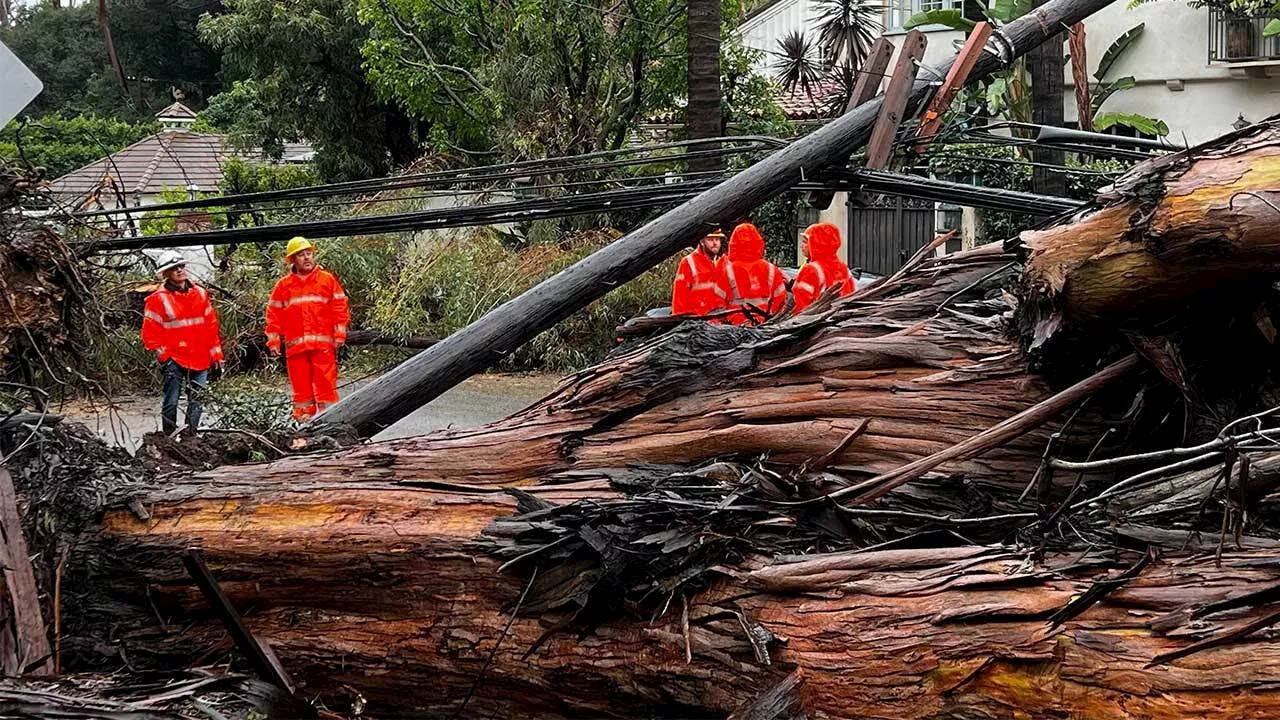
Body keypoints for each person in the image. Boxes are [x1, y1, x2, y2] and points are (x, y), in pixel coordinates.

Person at [265, 237, 350, 422]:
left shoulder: (327, 280)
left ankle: (331, 422)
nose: (306, 258)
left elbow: (340, 308)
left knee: (325, 387)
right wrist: (273, 341)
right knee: (302, 392)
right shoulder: (283, 286)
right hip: (296, 349)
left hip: (322, 347)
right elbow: (273, 315)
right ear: (292, 260)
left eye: (308, 253)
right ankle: (304, 425)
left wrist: (339, 335)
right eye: (301, 255)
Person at [140, 250, 224, 436]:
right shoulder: (157, 299)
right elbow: (150, 333)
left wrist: (216, 356)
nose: (179, 270)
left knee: (197, 399)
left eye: (181, 266)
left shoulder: (200, 294)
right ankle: (169, 437)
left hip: (200, 356)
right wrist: (164, 357)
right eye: (174, 268)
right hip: (175, 358)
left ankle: (190, 436)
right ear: (166, 273)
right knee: (171, 400)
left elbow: (211, 327)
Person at [714, 222, 788, 326]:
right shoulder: (771, 269)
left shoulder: (728, 271)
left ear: (734, 244)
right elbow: (780, 301)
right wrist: (766, 318)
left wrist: (734, 320)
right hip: (765, 326)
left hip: (736, 328)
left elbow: (718, 304)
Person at [792, 222, 855, 312]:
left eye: (806, 242)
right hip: (841, 320)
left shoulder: (811, 269)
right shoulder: (843, 267)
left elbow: (800, 304)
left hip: (816, 321)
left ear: (817, 244)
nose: (802, 245)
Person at [671, 228, 725, 317]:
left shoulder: (724, 262)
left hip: (722, 320)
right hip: (699, 321)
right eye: (710, 240)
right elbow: (679, 297)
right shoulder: (688, 262)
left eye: (717, 239)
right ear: (702, 241)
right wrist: (680, 322)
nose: (715, 243)